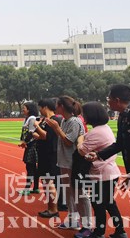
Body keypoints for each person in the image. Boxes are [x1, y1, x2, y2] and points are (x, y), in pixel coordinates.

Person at [88, 82, 130, 238]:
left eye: (109, 99)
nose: (107, 102)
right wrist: (98, 155)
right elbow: (119, 144)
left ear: (117, 100)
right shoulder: (123, 117)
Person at [77, 101, 126, 238]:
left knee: (98, 203)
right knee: (109, 203)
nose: (83, 116)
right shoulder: (104, 128)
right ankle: (120, 231)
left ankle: (99, 232)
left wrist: (80, 139)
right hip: (109, 171)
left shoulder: (96, 132)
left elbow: (82, 150)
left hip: (102, 173)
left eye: (84, 113)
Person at [45, 95, 92, 233]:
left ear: (62, 106)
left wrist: (56, 128)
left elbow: (68, 142)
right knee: (68, 192)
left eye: (57, 105)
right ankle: (72, 219)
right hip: (64, 161)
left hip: (74, 163)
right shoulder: (65, 121)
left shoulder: (74, 121)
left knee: (80, 193)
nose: (55, 107)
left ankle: (87, 224)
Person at [33, 98, 61, 219]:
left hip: (50, 155)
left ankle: (54, 209)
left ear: (45, 107)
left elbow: (46, 136)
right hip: (44, 154)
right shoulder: (46, 120)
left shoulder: (54, 120)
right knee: (45, 182)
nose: (39, 110)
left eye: (40, 108)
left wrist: (36, 126)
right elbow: (42, 135)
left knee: (49, 182)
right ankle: (50, 208)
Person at [18, 101, 39, 195]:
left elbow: (31, 132)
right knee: (33, 167)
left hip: (32, 146)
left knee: (30, 167)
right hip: (29, 145)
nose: (23, 109)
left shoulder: (32, 118)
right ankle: (35, 187)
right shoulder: (27, 118)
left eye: (24, 108)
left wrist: (25, 142)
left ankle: (27, 189)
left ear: (29, 109)